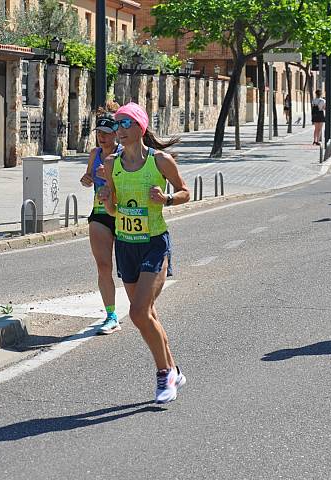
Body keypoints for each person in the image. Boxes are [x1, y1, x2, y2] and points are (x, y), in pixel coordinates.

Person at [99, 102, 190, 404]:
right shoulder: (111, 164)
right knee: (148, 313)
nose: (119, 130)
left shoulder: (160, 161)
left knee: (138, 312)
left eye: (126, 124)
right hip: (125, 245)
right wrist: (107, 199)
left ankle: (164, 375)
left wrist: (166, 199)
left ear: (141, 126)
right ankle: (175, 370)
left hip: (154, 243)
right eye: (117, 125)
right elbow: (112, 209)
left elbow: (185, 192)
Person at [80, 102, 123, 335]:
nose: (102, 138)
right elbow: (88, 177)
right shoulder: (95, 154)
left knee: (128, 269)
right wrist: (87, 179)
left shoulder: (124, 156)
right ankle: (111, 315)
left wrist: (110, 178)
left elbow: (128, 186)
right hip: (99, 214)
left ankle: (141, 308)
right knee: (103, 266)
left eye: (106, 134)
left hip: (123, 214)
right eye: (99, 134)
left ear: (116, 134)